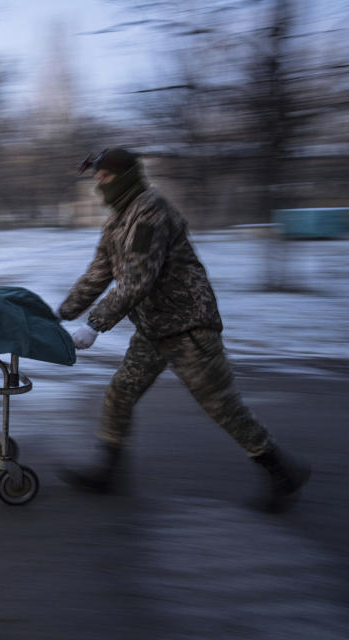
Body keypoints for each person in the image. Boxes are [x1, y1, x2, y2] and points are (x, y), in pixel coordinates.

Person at [57, 147, 310, 512]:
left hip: (188, 327)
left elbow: (137, 281)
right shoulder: (117, 222)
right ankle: (106, 473)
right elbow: (98, 273)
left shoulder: (150, 213)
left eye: (104, 177)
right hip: (154, 330)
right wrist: (62, 312)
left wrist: (95, 325)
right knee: (120, 393)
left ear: (125, 176)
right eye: (97, 178)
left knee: (222, 406)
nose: (99, 185)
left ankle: (282, 472)